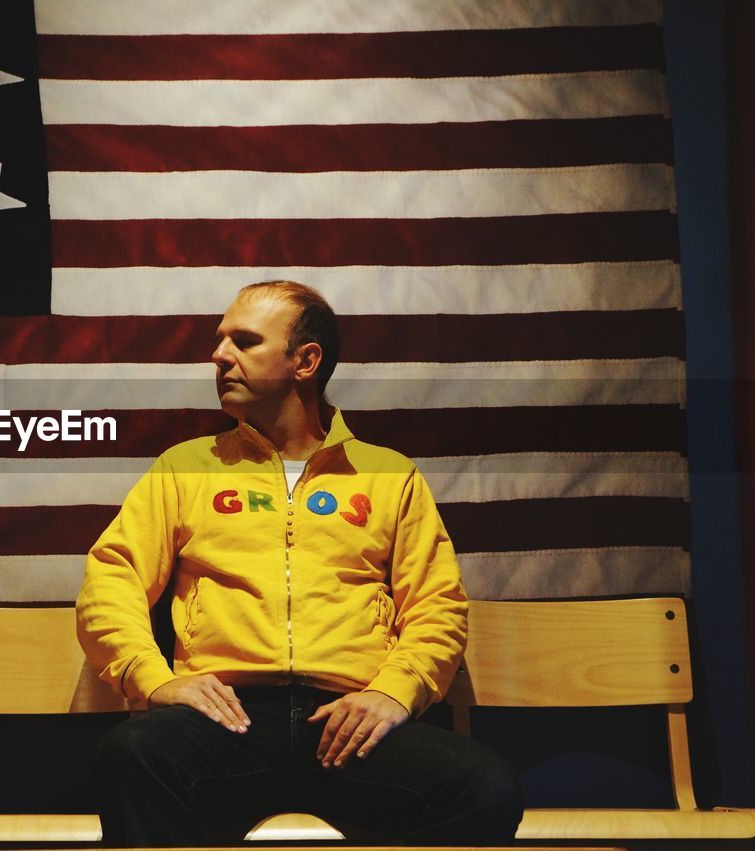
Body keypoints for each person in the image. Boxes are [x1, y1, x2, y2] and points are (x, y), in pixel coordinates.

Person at [75, 281, 523, 845]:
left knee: (485, 785)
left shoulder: (390, 475)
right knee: (131, 755)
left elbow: (437, 605)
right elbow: (111, 579)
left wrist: (393, 691)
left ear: (305, 361)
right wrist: (153, 680)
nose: (219, 356)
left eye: (243, 341)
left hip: (350, 722)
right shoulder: (184, 468)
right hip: (226, 720)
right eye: (221, 341)